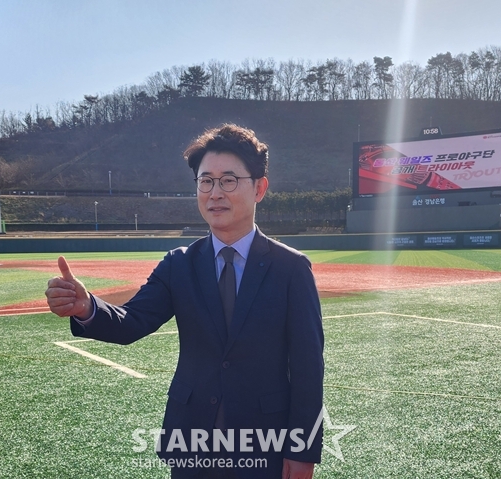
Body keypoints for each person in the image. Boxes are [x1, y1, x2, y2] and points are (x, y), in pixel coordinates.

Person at [45, 124, 324, 479]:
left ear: (259, 188)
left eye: (228, 180)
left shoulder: (291, 268)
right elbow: (132, 321)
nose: (215, 193)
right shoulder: (179, 264)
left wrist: (303, 451)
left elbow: (308, 368)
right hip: (192, 442)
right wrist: (87, 307)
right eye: (206, 181)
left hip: (264, 445)